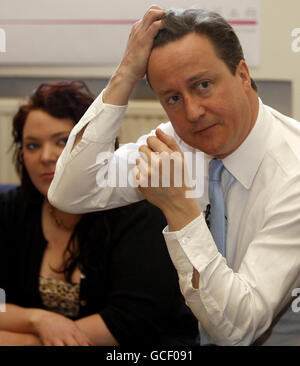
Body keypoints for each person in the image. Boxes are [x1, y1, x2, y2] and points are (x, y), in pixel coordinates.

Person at [48, 7, 300, 346]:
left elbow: (237, 330)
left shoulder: (293, 171)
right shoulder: (178, 141)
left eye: (204, 85)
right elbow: (70, 193)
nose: (193, 112)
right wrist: (125, 74)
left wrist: (179, 207)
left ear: (242, 75)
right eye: (173, 98)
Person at [0, 80, 198, 346]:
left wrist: (20, 342)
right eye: (32, 145)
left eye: (62, 141)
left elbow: (129, 322)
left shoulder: (140, 211)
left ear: (93, 150)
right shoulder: (10, 208)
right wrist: (38, 320)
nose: (46, 156)